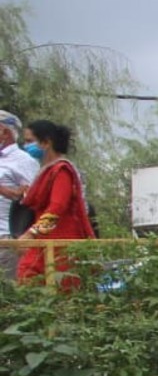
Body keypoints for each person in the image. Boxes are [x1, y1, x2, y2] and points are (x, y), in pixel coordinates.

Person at [16, 119, 95, 288]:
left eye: (30, 141)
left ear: (46, 143)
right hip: (44, 239)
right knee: (27, 278)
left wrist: (30, 234)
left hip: (61, 240)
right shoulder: (46, 171)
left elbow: (57, 207)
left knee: (61, 287)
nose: (25, 146)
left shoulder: (61, 171)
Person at [0, 110, 41, 280]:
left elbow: (33, 198)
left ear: (5, 132)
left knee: (8, 297)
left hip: (6, 240)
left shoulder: (23, 160)